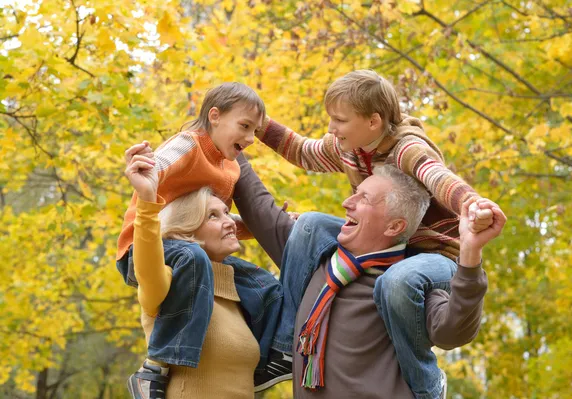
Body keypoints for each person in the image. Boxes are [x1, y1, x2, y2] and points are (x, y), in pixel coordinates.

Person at [255, 69, 501, 398]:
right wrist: (258, 124)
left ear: (373, 121)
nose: (332, 128)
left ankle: (427, 384)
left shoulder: (406, 148)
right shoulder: (349, 146)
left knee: (398, 282)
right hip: (389, 242)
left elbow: (436, 176)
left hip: (434, 256)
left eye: (340, 120)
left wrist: (470, 203)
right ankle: (286, 347)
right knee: (311, 224)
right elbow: (303, 151)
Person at [232, 154, 506, 398]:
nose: (346, 203)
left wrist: (470, 252)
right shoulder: (312, 259)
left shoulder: (407, 284)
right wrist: (228, 144)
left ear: (394, 225)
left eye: (363, 199)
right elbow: (258, 207)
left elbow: (452, 332)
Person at [116, 83, 289, 399]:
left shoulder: (230, 168)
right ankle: (156, 368)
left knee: (266, 285)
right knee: (193, 257)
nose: (251, 139)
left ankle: (272, 358)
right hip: (147, 246)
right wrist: (147, 177)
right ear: (215, 116)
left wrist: (272, 222)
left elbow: (209, 224)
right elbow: (162, 164)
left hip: (188, 250)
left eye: (256, 130)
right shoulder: (189, 145)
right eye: (245, 126)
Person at [123, 146, 261, 398]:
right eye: (213, 216)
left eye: (227, 213)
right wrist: (146, 198)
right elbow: (147, 263)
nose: (230, 222)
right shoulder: (171, 286)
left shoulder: (244, 294)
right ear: (186, 232)